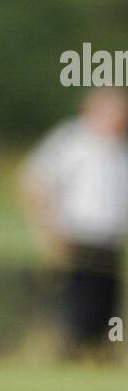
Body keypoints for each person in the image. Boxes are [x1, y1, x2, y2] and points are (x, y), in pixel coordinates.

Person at [20, 88, 128, 355]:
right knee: (77, 309)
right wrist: (49, 231)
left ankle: (97, 357)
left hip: (110, 242)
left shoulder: (120, 149)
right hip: (77, 238)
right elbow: (36, 183)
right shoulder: (72, 142)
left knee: (106, 308)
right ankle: (71, 356)